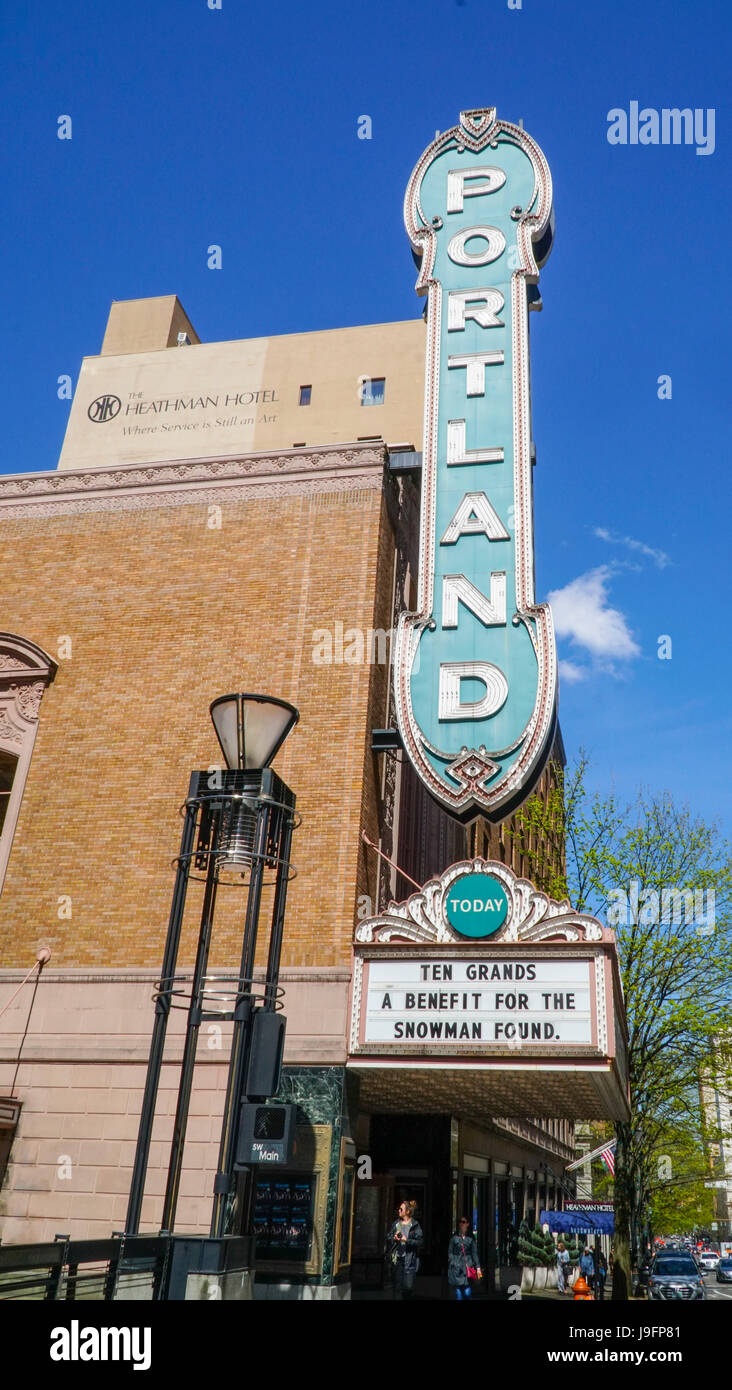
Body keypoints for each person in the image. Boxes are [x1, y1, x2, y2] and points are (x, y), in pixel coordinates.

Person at [385, 1199, 424, 1299]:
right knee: (397, 1287)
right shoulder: (396, 1224)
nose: (399, 1211)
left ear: (407, 1211)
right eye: (399, 1209)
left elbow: (420, 1242)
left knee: (408, 1287)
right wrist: (394, 1238)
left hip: (410, 1260)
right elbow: (388, 1237)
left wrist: (407, 1240)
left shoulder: (415, 1225)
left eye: (401, 1209)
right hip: (397, 1260)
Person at [447, 1217, 482, 1300]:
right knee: (459, 1294)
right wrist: (453, 1261)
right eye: (460, 1222)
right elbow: (450, 1252)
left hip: (467, 1267)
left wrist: (478, 1267)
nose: (461, 1224)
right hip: (457, 1267)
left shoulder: (471, 1237)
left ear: (467, 1224)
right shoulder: (454, 1237)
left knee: (467, 1293)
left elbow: (474, 1253)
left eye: (463, 1222)